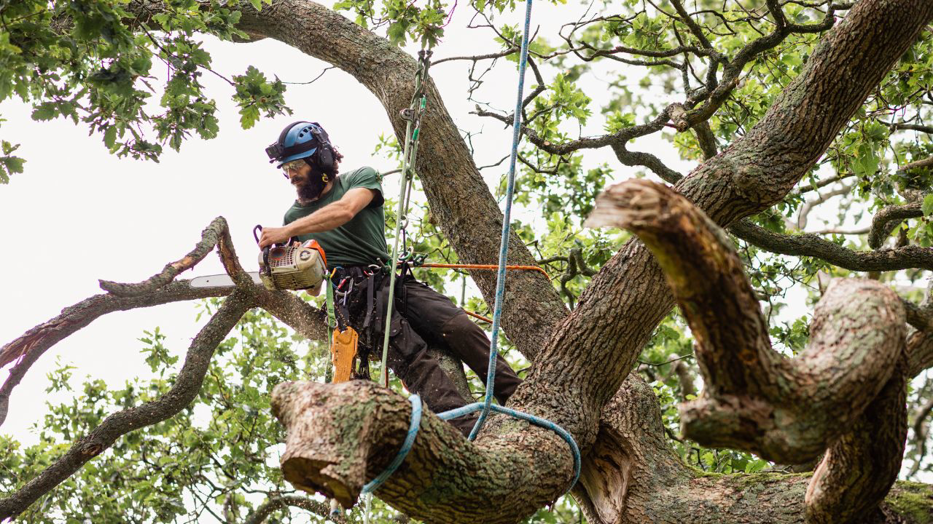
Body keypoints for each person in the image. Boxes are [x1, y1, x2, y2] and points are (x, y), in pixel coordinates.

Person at [258, 121, 522, 436]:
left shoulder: (359, 179)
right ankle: (468, 431)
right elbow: (315, 289)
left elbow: (345, 211)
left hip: (390, 280)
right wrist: (292, 265)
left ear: (322, 160)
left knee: (458, 326)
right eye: (286, 169)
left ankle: (519, 397)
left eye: (297, 165)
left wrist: (289, 231)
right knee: (412, 357)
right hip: (354, 296)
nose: (291, 175)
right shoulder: (294, 217)